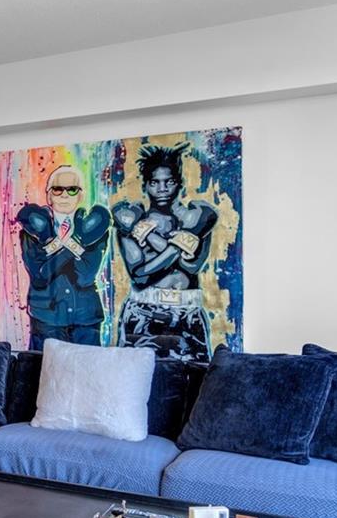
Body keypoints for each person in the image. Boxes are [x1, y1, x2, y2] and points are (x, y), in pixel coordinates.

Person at [112, 142, 218, 360]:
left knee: (196, 376)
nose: (162, 189)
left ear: (179, 183)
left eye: (169, 182)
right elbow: (139, 275)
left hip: (187, 310)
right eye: (154, 182)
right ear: (145, 185)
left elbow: (192, 266)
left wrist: (150, 236)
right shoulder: (132, 218)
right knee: (133, 377)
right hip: (143, 309)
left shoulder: (197, 217)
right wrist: (180, 245)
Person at [14, 165, 111, 349]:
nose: (64, 195)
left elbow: (85, 274)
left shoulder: (96, 227)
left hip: (86, 319)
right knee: (40, 367)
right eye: (58, 189)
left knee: (88, 367)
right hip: (46, 319)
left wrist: (53, 247)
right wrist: (76, 242)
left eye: (72, 189)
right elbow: (40, 274)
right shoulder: (32, 229)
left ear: (81, 195)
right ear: (49, 195)